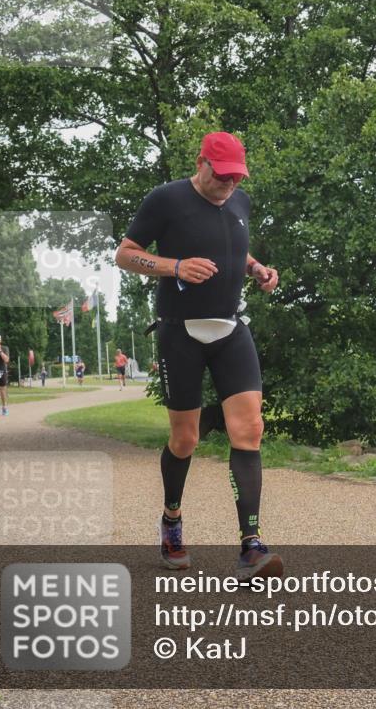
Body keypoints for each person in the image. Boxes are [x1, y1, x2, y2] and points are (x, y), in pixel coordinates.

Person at [115, 131, 282, 581]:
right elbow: (125, 255)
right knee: (185, 439)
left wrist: (256, 268)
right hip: (180, 333)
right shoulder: (165, 199)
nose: (229, 185)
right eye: (222, 176)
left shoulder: (240, 202)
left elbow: (233, 246)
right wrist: (174, 266)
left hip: (231, 329)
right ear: (202, 163)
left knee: (249, 428)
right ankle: (171, 520)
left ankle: (251, 546)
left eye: (236, 178)